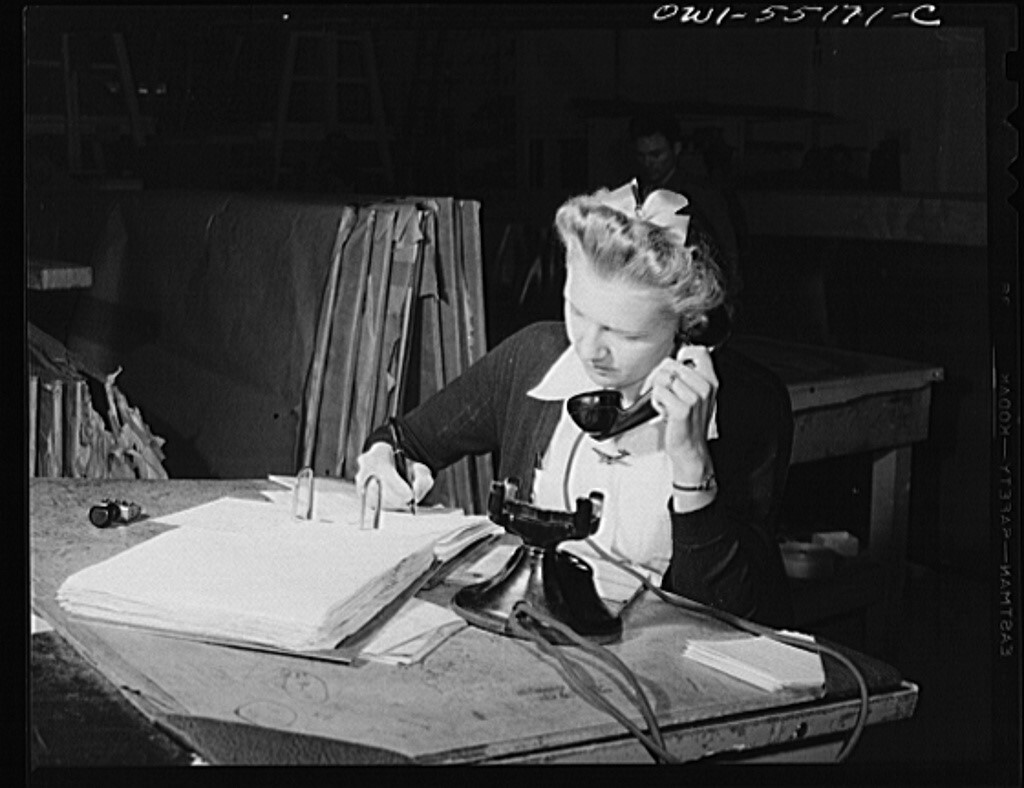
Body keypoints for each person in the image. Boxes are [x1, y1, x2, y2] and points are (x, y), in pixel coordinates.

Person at [355, 182, 793, 627]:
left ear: (689, 326)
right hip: (529, 637)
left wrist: (692, 464)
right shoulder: (534, 358)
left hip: (659, 664)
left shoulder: (748, 405)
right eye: (578, 312)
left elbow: (738, 619)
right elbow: (405, 440)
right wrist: (384, 464)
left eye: (625, 335)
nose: (590, 350)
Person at [629, 111, 743, 288]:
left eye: (656, 155)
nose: (648, 163)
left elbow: (727, 247)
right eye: (641, 156)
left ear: (676, 149)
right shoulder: (633, 194)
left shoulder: (700, 195)